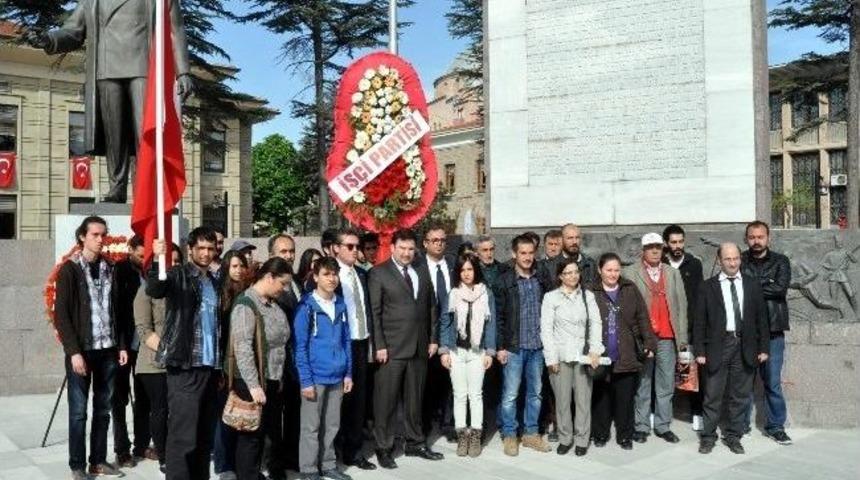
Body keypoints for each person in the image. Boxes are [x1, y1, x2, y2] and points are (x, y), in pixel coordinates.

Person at [30, 0, 192, 203]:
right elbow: (73, 30)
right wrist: (49, 39)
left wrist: (183, 71)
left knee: (146, 134)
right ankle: (117, 187)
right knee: (113, 135)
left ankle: (148, 189)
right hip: (106, 70)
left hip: (143, 68)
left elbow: (176, 30)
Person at [55, 216, 128, 479]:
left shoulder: (111, 268)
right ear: (82, 237)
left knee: (103, 408)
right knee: (78, 412)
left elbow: (117, 311)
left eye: (103, 234)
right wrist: (73, 351)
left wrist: (120, 345)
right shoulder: (69, 270)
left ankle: (98, 460)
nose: (100, 239)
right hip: (82, 352)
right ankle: (77, 466)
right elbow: (61, 315)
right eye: (95, 234)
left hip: (107, 350)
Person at [147, 227, 221, 480]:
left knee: (203, 438)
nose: (205, 253)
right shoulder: (178, 275)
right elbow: (155, 288)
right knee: (183, 438)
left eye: (210, 248)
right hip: (185, 367)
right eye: (200, 248)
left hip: (210, 367)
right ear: (190, 250)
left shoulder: (214, 281)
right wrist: (157, 260)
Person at [368, 229, 443, 469]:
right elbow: (375, 313)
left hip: (420, 347)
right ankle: (384, 447)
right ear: (392, 248)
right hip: (391, 349)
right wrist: (379, 345)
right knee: (386, 402)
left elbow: (431, 306)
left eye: (411, 249)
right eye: (402, 248)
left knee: (415, 400)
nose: (407, 253)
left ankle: (415, 442)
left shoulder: (421, 269)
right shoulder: (379, 273)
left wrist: (432, 338)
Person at [695, 243, 770, 455]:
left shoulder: (752, 284)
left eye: (736, 258)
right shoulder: (707, 287)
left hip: (745, 346)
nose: (733, 263)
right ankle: (708, 436)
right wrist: (699, 351)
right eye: (728, 259)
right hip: (718, 346)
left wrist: (763, 347)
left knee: (740, 396)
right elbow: (699, 321)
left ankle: (733, 436)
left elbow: (761, 319)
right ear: (719, 260)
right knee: (712, 395)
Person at [227, 257, 292, 480]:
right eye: (282, 283)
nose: (284, 289)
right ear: (269, 277)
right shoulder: (246, 304)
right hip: (252, 382)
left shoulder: (272, 303)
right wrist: (254, 385)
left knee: (267, 431)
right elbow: (242, 347)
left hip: (273, 379)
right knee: (250, 435)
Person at [623, 232, 688, 444]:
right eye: (650, 247)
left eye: (658, 247)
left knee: (666, 384)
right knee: (643, 383)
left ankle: (662, 425)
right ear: (643, 250)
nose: (654, 250)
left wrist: (683, 340)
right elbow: (627, 307)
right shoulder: (631, 272)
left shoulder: (672, 273)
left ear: (663, 249)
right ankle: (641, 426)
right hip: (643, 338)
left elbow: (681, 307)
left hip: (668, 337)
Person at [590, 253, 657, 450]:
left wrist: (649, 344)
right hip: (600, 355)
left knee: (625, 398)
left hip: (626, 352)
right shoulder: (591, 291)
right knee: (601, 397)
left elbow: (643, 317)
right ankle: (600, 434)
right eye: (609, 270)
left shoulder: (629, 289)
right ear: (600, 270)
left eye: (616, 270)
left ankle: (625, 435)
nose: (613, 274)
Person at [294, 257, 353, 480]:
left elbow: (346, 340)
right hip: (315, 376)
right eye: (326, 274)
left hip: (337, 375)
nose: (332, 278)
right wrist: (306, 381)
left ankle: (328, 465)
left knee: (332, 424)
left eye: (334, 274)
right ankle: (309, 468)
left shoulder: (340, 304)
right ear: (315, 277)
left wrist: (348, 373)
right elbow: (300, 347)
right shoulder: (306, 307)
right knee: (311, 427)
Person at [496, 234, 554, 456]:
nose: (528, 257)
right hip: (514, 347)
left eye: (531, 253)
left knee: (536, 393)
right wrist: (500, 346)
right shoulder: (504, 281)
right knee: (510, 394)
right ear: (514, 254)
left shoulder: (542, 278)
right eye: (523, 253)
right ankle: (510, 434)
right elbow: (499, 317)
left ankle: (531, 433)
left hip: (537, 347)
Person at [540, 258, 603, 456]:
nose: (573, 276)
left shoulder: (588, 296)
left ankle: (582, 439)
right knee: (562, 399)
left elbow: (596, 323)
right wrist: (551, 359)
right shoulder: (551, 298)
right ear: (560, 276)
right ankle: (565, 437)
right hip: (560, 355)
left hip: (583, 355)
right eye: (568, 273)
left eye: (575, 272)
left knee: (583, 399)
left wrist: (595, 350)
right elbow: (546, 330)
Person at [438, 253, 497, 458]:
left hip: (477, 352)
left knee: (476, 395)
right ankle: (462, 435)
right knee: (459, 395)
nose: (466, 273)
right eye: (462, 270)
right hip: (456, 351)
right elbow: (445, 322)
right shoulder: (453, 293)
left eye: (470, 269)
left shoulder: (485, 292)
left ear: (476, 270)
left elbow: (491, 323)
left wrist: (490, 351)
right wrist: (444, 350)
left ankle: (475, 436)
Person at [741, 221, 793, 445]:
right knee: (743, 382)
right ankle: (740, 424)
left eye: (760, 236)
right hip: (745, 331)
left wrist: (752, 287)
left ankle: (775, 426)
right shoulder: (739, 260)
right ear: (747, 239)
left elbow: (779, 288)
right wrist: (764, 284)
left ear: (768, 238)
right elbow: (737, 287)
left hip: (773, 331)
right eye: (752, 237)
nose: (756, 241)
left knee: (772, 382)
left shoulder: (781, 261)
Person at [133, 243, 183, 474]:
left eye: (176, 261)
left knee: (179, 409)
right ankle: (163, 454)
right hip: (154, 362)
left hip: (181, 360)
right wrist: (168, 351)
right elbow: (144, 330)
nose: (173, 265)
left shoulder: (184, 288)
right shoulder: (147, 290)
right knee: (161, 408)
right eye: (168, 260)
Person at [332, 229, 377, 470]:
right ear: (336, 248)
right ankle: (332, 449)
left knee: (358, 401)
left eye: (356, 246)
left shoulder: (361, 274)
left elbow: (368, 310)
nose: (354, 251)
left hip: (361, 343)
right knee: (339, 401)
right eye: (349, 246)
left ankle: (354, 451)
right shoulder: (330, 275)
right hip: (341, 344)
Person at [111, 235, 153, 468]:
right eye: (140, 254)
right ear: (130, 250)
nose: (143, 258)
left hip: (145, 344)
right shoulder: (120, 270)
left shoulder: (151, 270)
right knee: (119, 398)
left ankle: (142, 443)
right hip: (124, 344)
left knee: (144, 395)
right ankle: (122, 449)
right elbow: (116, 310)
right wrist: (121, 344)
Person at [662, 224, 705, 431]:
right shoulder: (659, 264)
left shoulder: (694, 264)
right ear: (666, 244)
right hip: (664, 329)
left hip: (687, 330)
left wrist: (696, 329)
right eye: (673, 242)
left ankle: (697, 413)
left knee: (690, 374)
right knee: (663, 374)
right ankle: (658, 414)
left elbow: (698, 299)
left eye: (680, 242)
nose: (677, 246)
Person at [213, 250, 250, 480]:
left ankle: (239, 462)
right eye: (233, 266)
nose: (237, 270)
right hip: (224, 362)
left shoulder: (249, 293)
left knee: (242, 415)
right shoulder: (220, 294)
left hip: (243, 362)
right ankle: (223, 464)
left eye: (241, 266)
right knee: (224, 416)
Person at [418, 223, 456, 442]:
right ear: (425, 243)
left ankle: (448, 423)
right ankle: (423, 424)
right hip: (425, 332)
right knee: (425, 381)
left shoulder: (453, 263)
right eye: (434, 240)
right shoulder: (417, 265)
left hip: (450, 330)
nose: (439, 244)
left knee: (450, 380)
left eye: (442, 240)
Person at [268, 233, 301, 476]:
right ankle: (275, 462)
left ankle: (291, 457)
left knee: (294, 412)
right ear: (272, 255)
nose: (289, 255)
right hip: (277, 361)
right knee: (274, 417)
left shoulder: (298, 281)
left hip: (297, 362)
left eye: (291, 251)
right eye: (283, 252)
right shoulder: (268, 288)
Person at [542, 224, 597, 288]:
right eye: (570, 238)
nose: (574, 242)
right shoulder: (550, 266)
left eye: (577, 238)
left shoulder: (590, 264)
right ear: (562, 240)